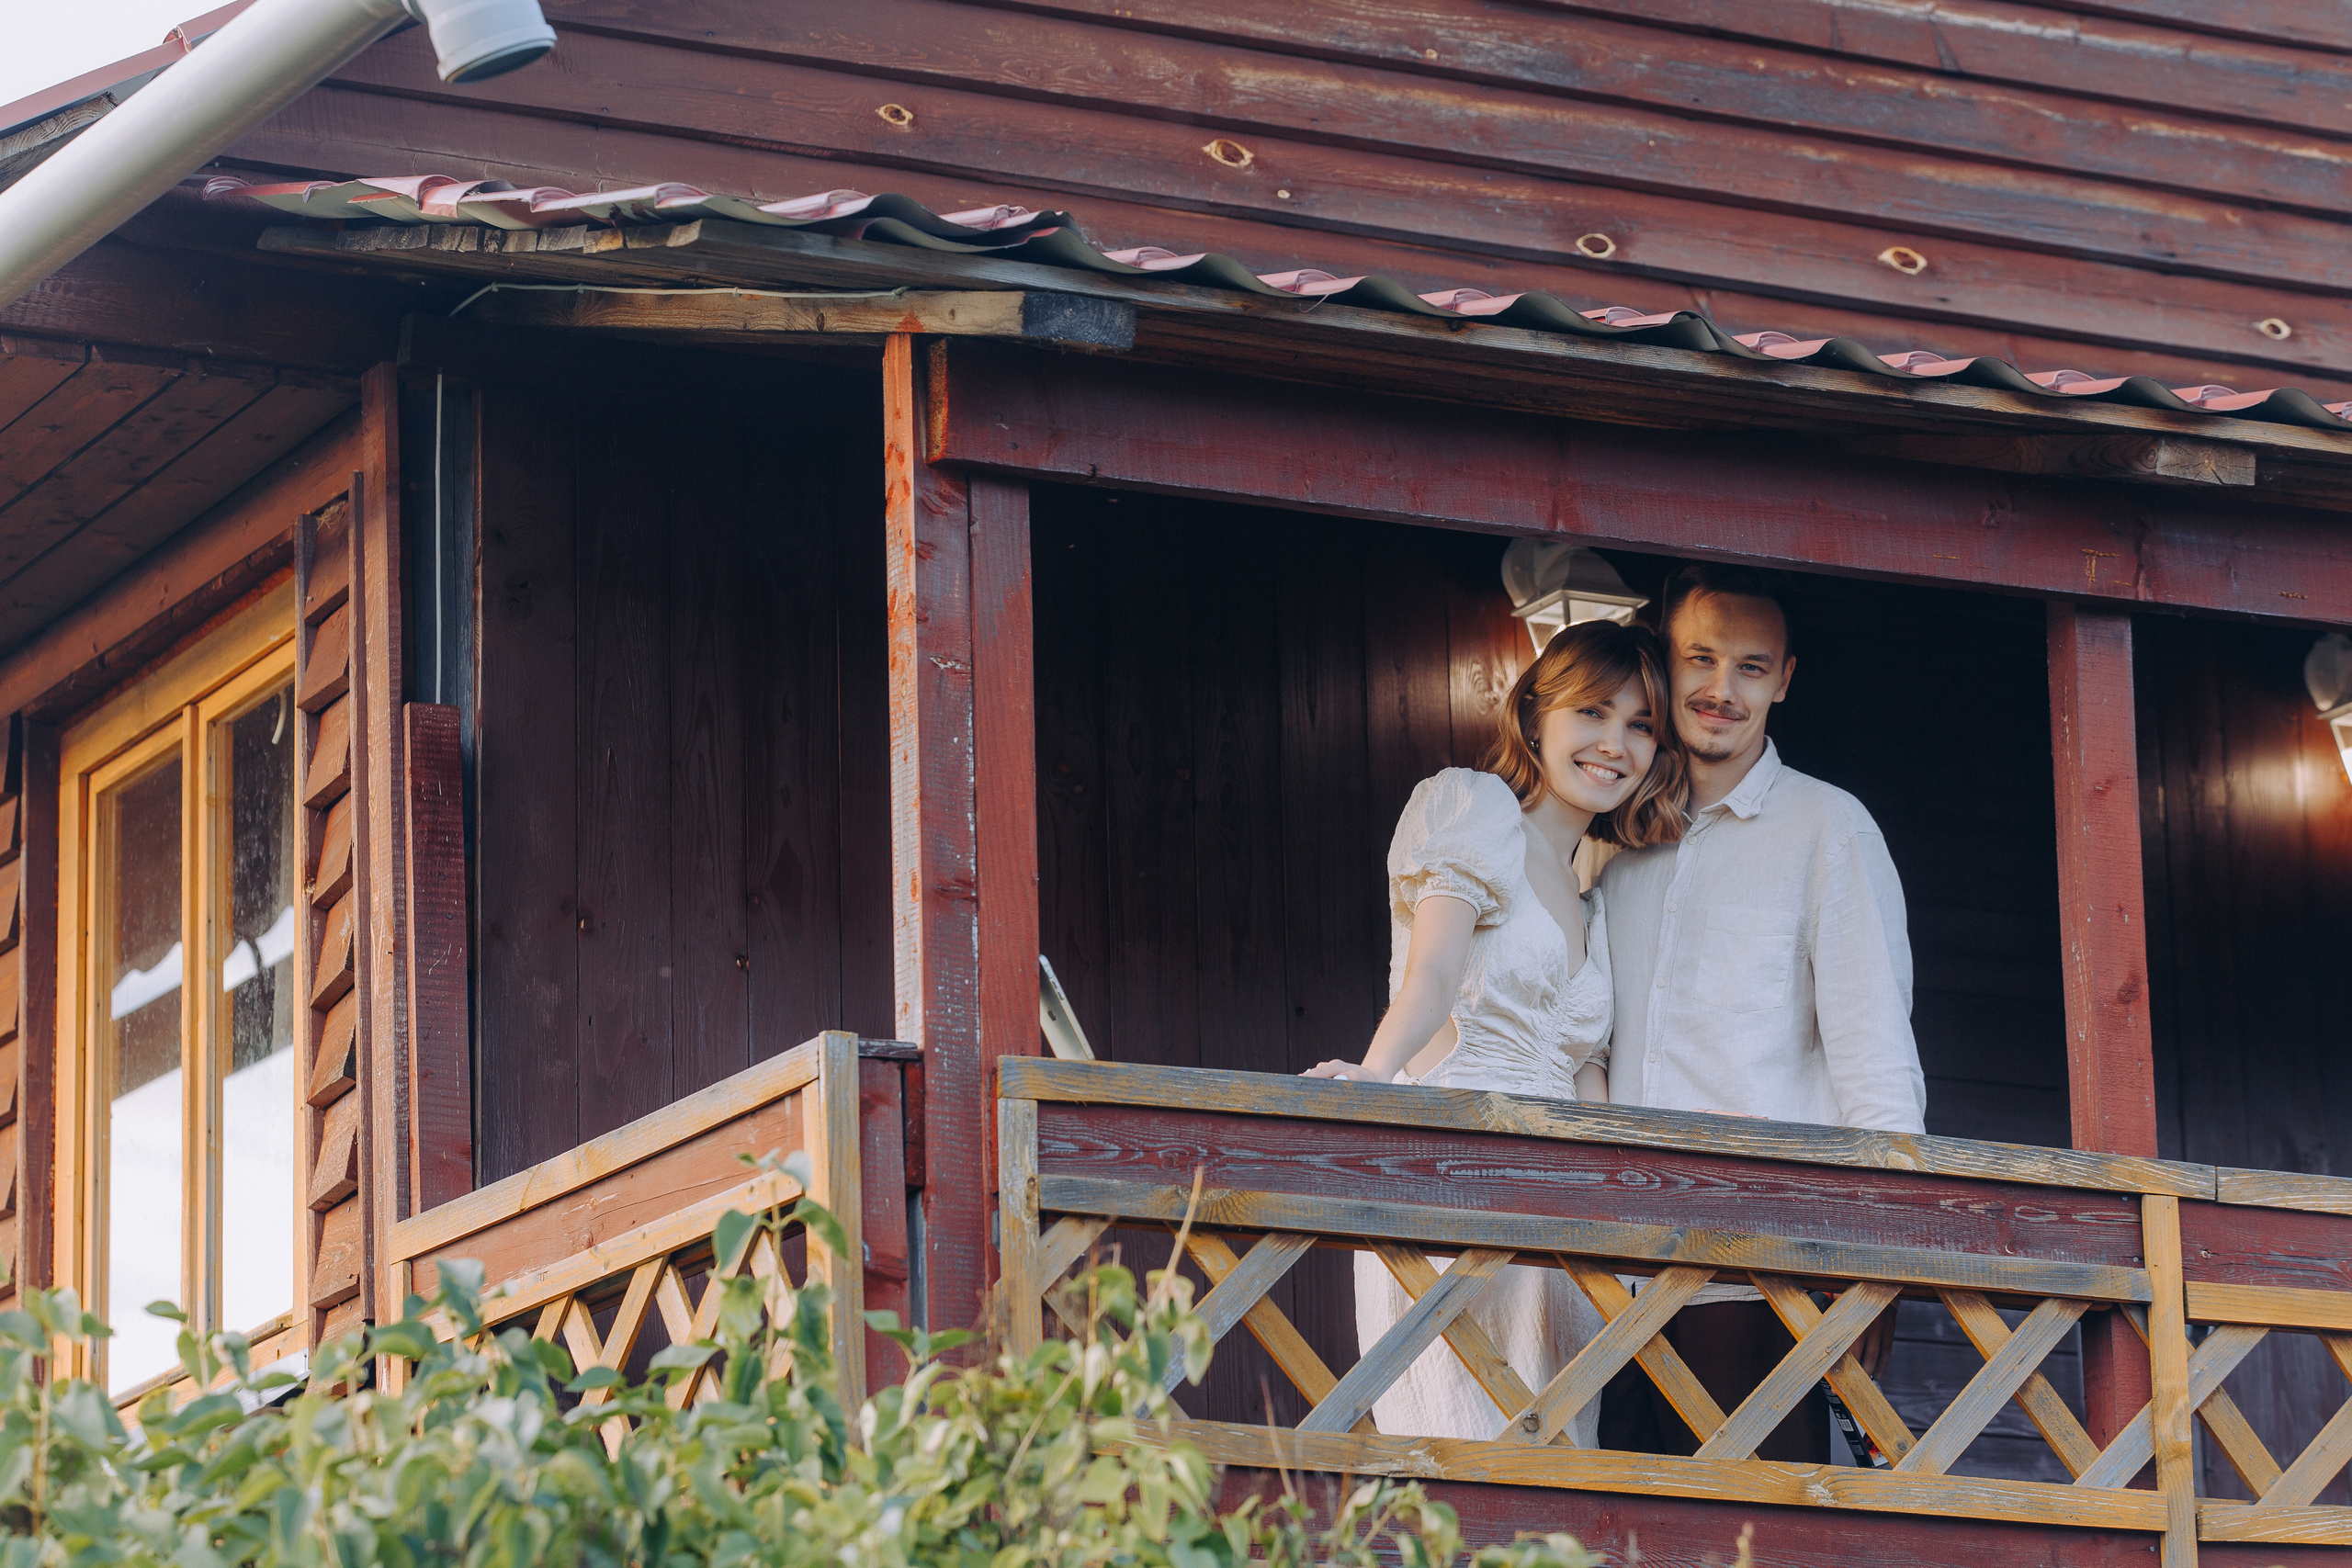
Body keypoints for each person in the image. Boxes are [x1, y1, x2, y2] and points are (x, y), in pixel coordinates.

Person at [1303, 619, 1687, 1444]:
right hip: (1457, 1176)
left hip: (1558, 1221)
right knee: (1452, 1456)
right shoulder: (1474, 807)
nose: (1615, 744)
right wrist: (1374, 1077)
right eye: (1594, 712)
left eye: (1641, 724)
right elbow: (1433, 976)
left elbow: (1586, 1070)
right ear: (1536, 715)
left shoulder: (1594, 891)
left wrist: (1623, 1211)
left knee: (1548, 1483)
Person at [1596, 563, 1926, 1464]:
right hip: (1602, 1261)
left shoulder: (1828, 829)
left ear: (1783, 680)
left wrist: (1883, 1255)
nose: (1720, 690)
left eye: (1750, 667)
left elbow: (1873, 1052)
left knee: (1750, 1538)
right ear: (1664, 666)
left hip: (1754, 1265)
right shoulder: (1616, 836)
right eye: (1700, 659)